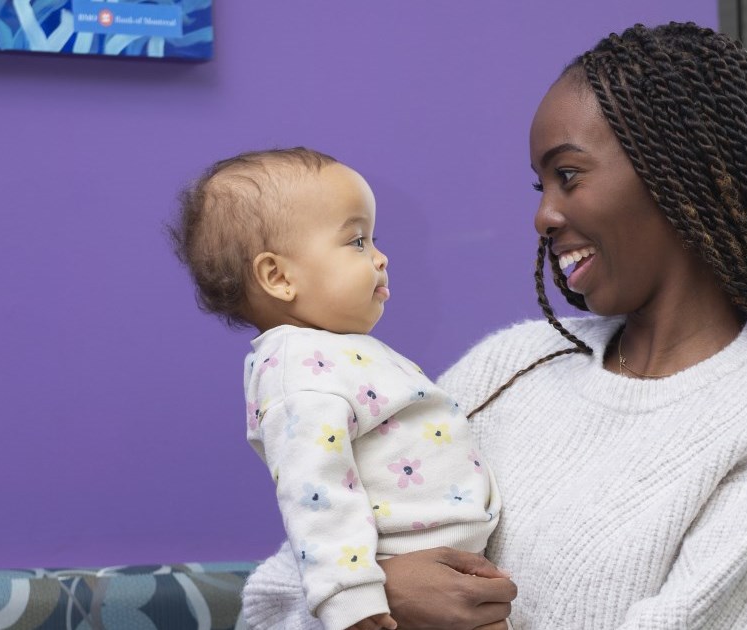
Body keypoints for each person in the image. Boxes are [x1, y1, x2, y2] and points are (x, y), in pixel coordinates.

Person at [372, 21, 747, 629]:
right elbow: (280, 594)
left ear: (679, 168)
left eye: (569, 174)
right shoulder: (509, 365)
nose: (543, 214)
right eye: (541, 184)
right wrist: (373, 595)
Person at [169, 148, 506, 630]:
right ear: (279, 277)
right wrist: (349, 596)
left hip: (451, 563)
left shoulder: (340, 352)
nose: (381, 257)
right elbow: (316, 488)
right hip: (399, 576)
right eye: (357, 241)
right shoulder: (298, 369)